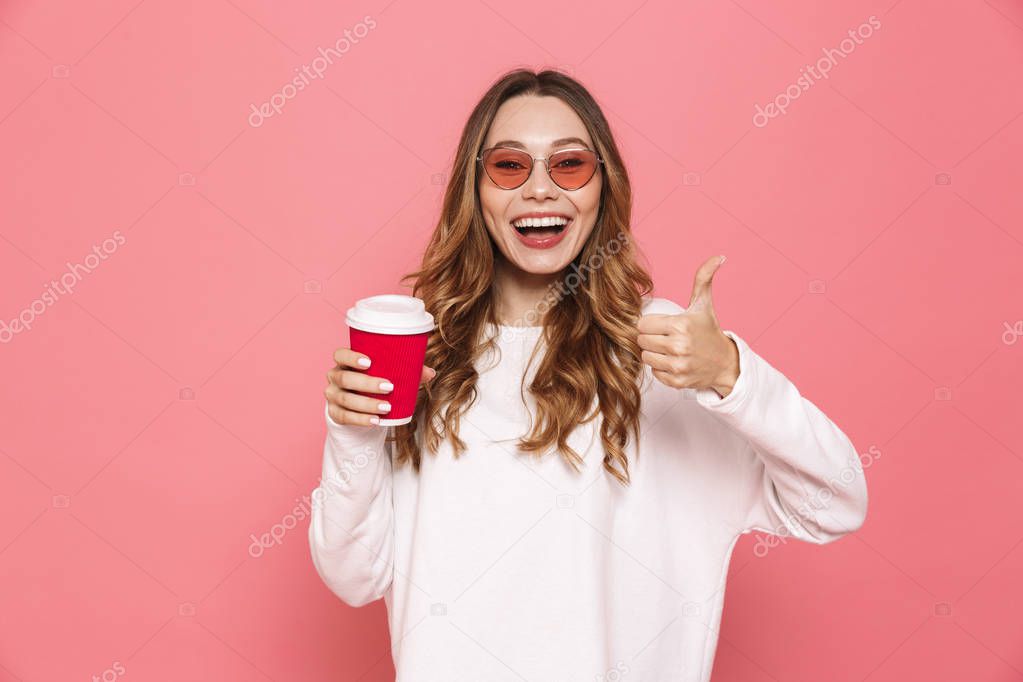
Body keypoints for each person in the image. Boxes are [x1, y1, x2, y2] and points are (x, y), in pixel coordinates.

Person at [310, 68, 868, 682]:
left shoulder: (664, 353)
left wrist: (731, 375)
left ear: (603, 185)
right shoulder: (421, 358)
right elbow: (353, 575)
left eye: (570, 165)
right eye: (509, 166)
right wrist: (353, 433)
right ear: (476, 190)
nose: (541, 190)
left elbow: (835, 502)